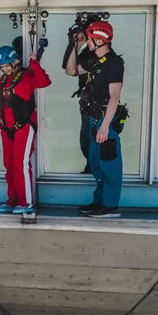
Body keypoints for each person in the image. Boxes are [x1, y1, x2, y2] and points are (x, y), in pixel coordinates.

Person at [66, 20, 124, 217]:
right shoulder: (93, 60)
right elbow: (70, 70)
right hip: (93, 119)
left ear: (99, 40)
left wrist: (105, 126)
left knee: (109, 165)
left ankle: (110, 206)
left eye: (90, 39)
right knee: (96, 163)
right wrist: (77, 44)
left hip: (105, 121)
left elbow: (115, 96)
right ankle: (99, 202)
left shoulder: (114, 63)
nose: (88, 42)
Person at [0, 45, 51, 215]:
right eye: (2, 67)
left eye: (7, 65)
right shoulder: (2, 80)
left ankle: (26, 202)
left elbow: (44, 82)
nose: (5, 69)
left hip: (23, 126)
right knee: (9, 165)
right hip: (6, 128)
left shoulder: (27, 75)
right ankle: (13, 199)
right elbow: (0, 105)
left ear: (15, 61)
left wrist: (35, 63)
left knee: (20, 164)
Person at [63, 25, 97, 171]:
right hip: (87, 105)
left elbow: (70, 71)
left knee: (93, 141)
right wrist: (76, 44)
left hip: (98, 108)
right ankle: (90, 167)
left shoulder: (102, 57)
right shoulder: (88, 53)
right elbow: (68, 66)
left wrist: (78, 44)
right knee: (86, 140)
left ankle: (93, 169)